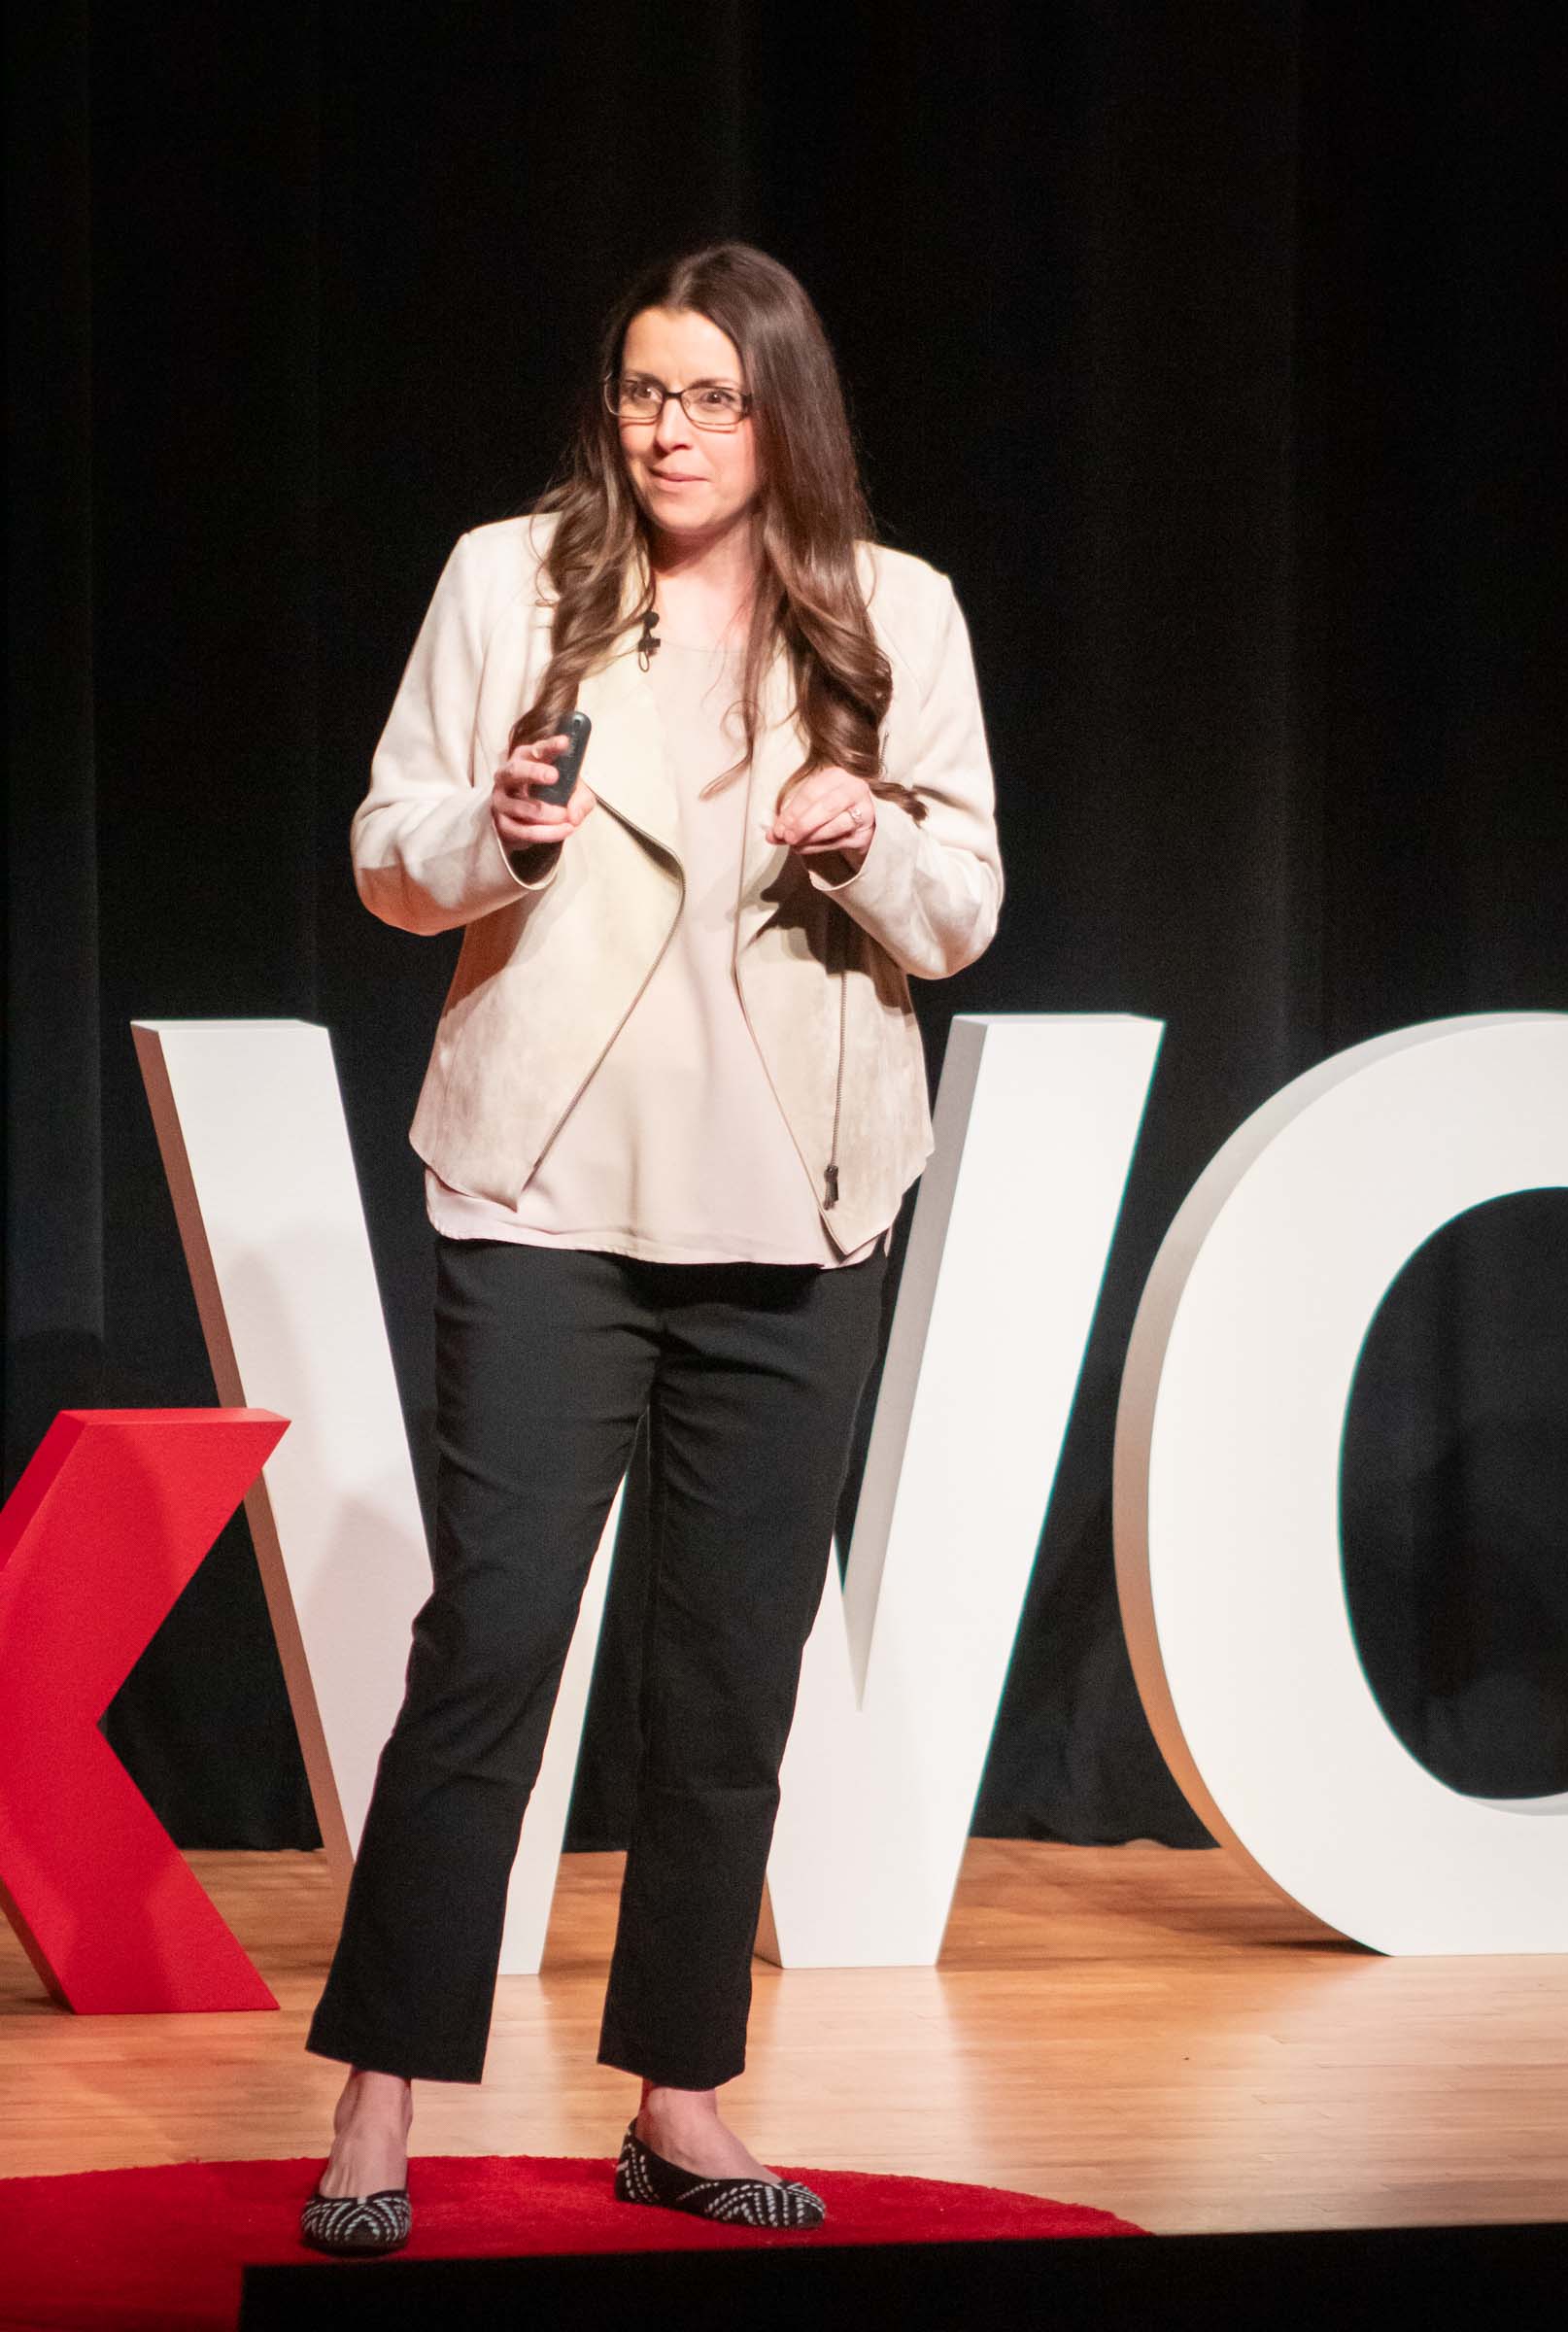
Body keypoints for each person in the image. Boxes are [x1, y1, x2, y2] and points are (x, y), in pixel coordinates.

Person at [299, 240, 1002, 2255]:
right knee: (493, 1645)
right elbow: (385, 846)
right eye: (639, 391)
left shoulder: (896, 613)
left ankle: (677, 2099)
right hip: (546, 1201)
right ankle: (376, 2106)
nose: (668, 429)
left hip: (796, 1214)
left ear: (783, 410)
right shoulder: (504, 579)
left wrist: (867, 835)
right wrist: (497, 835)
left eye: (707, 394)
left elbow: (962, 914)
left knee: (723, 1684)